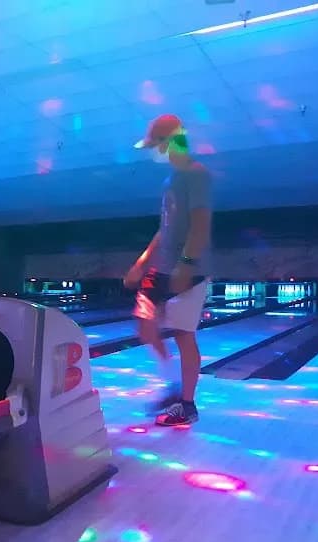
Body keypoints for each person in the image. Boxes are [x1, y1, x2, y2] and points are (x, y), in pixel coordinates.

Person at [123, 114, 213, 427]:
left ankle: (187, 405)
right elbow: (165, 228)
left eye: (155, 144)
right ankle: (173, 384)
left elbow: (200, 224)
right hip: (162, 267)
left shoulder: (196, 174)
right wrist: (142, 262)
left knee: (183, 335)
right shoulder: (170, 181)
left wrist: (186, 265)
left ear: (170, 141)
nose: (153, 151)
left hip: (191, 269)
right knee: (144, 321)